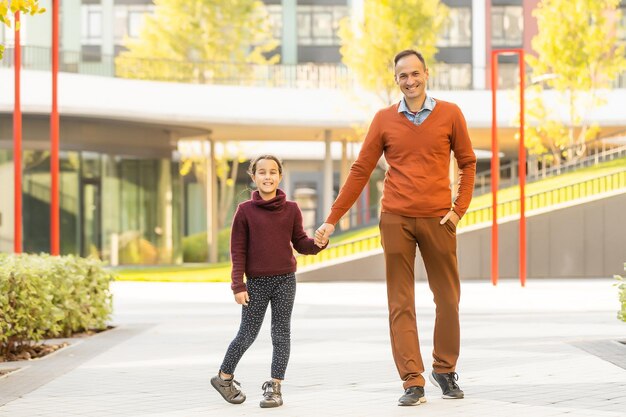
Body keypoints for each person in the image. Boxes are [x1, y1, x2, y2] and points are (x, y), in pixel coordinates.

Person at [315, 50, 476, 406]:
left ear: (426, 74)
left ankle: (444, 370)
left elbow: (467, 162)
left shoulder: (450, 114)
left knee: (448, 298)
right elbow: (360, 171)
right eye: (403, 75)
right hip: (396, 219)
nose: (410, 80)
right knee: (400, 302)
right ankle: (412, 380)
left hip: (438, 219)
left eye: (415, 73)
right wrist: (332, 218)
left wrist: (458, 210)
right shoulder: (384, 119)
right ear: (396, 80)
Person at [211, 154, 327, 408]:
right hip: (255, 284)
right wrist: (238, 285)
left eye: (273, 172)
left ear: (280, 176)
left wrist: (318, 243)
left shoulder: (291, 210)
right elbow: (237, 251)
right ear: (253, 177)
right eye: (262, 172)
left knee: (281, 333)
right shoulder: (245, 211)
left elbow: (300, 243)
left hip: (285, 280)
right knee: (247, 334)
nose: (268, 176)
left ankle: (275, 388)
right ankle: (224, 377)